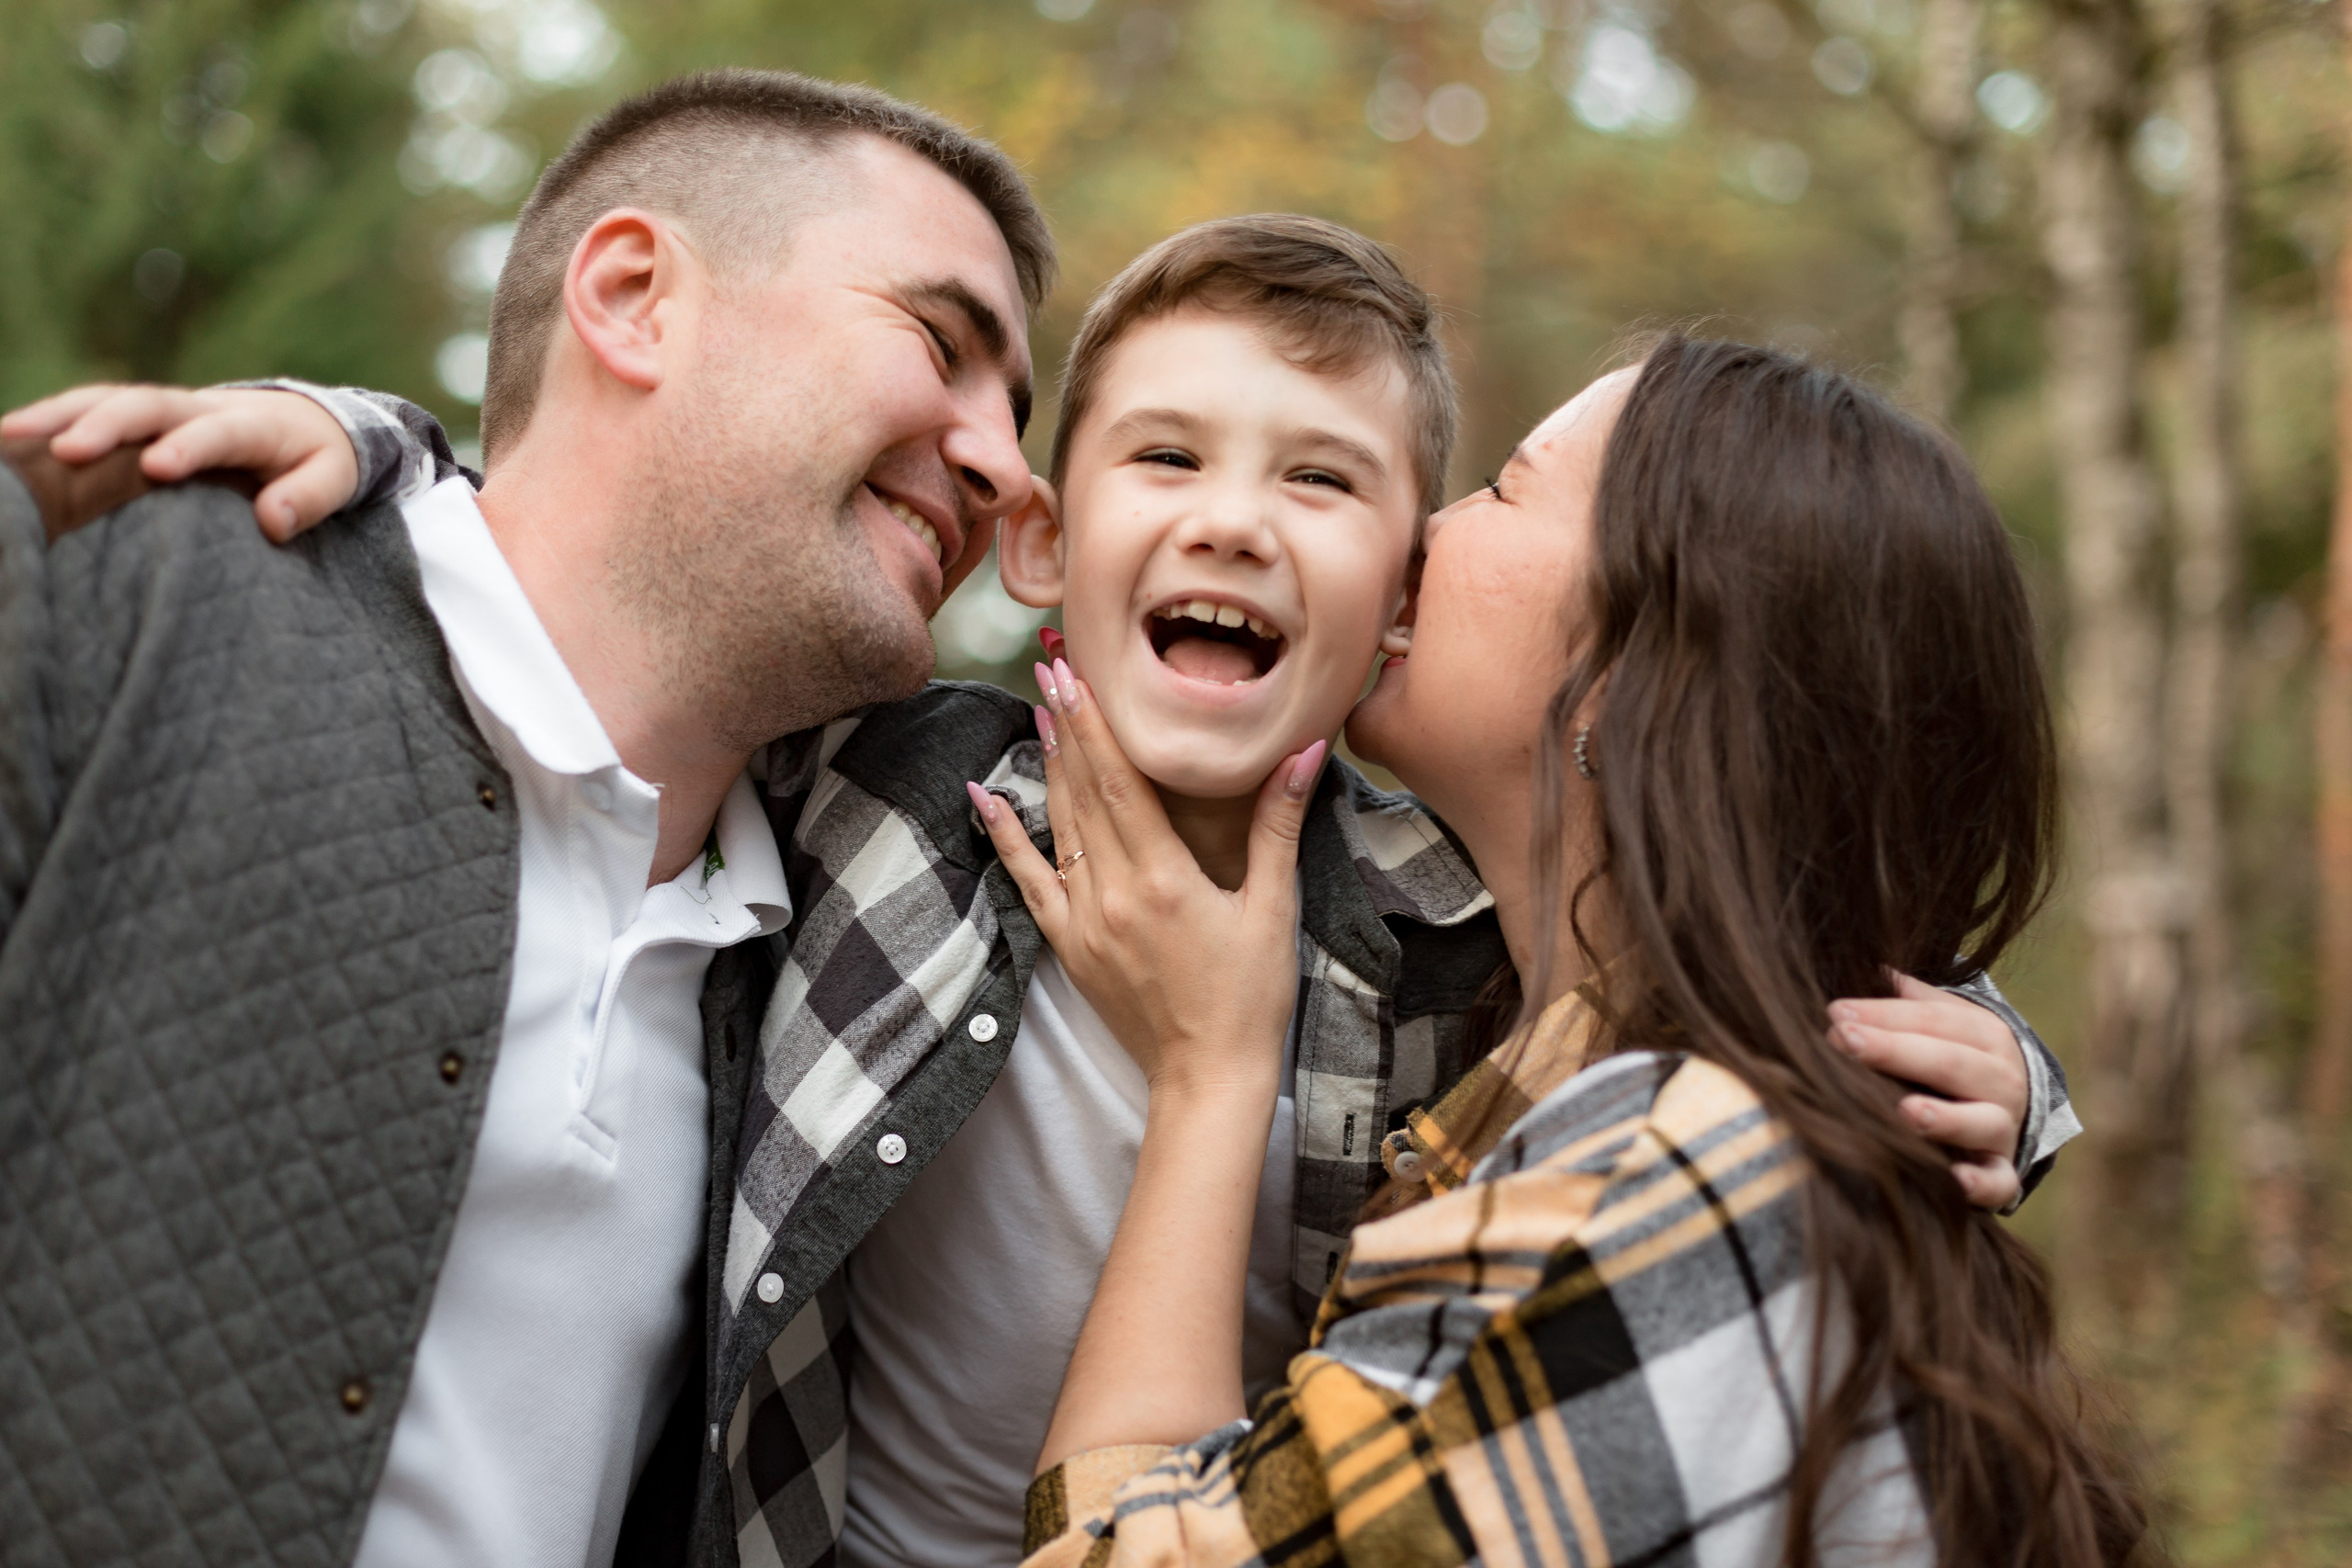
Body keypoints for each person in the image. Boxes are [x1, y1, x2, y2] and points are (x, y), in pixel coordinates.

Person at [16, 233, 2075, 1567]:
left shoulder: (1457, 931)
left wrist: (1997, 1065)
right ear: (1030, 535)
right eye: (1161, 454)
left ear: (1392, 618)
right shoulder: (876, 787)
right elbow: (624, 597)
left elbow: (1773, 918)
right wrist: (391, 471)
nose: (1237, 523)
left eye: (1354, 489)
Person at [0, 68, 1051, 1568]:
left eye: (1017, 412)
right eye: (940, 344)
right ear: (632, 298)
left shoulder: (844, 961)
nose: (1006, 464)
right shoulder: (110, 590)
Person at [990, 336, 2146, 1566]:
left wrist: (1207, 1067)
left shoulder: (1675, 1177)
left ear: (1636, 676)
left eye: (1502, 485)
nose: (1417, 532)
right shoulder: (1545, 1060)